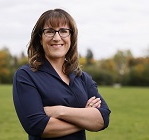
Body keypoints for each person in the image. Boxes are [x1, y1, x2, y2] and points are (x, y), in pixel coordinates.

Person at [13, 8, 111, 140]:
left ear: (71, 37)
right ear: (40, 38)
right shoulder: (26, 76)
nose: (57, 37)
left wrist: (59, 111)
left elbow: (103, 118)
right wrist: (85, 118)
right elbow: (37, 126)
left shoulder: (82, 77)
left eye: (64, 31)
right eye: (49, 31)